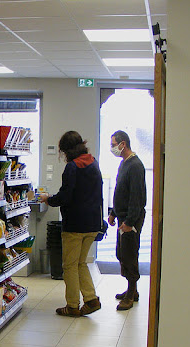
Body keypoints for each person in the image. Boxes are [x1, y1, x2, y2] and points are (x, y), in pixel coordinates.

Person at [41, 131, 103, 317]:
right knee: (81, 263)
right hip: (92, 223)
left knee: (69, 265)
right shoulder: (93, 163)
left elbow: (66, 197)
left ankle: (72, 305)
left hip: (75, 224)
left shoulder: (72, 167)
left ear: (66, 150)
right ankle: (91, 299)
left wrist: (48, 199)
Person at [107, 130, 147, 311]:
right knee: (122, 253)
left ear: (123, 144)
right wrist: (113, 213)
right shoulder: (124, 164)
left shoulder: (136, 166)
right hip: (123, 216)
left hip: (131, 219)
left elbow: (136, 197)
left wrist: (130, 222)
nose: (112, 147)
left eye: (114, 144)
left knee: (130, 255)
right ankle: (132, 290)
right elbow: (120, 191)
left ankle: (131, 295)